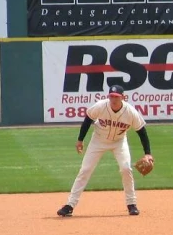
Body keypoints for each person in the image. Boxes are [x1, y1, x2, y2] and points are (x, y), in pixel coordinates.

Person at [56, 84, 153, 217]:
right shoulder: (101, 106)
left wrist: (148, 153)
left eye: (116, 97)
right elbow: (88, 119)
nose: (113, 99)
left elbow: (142, 132)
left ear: (123, 97)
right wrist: (80, 140)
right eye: (111, 96)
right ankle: (69, 205)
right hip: (98, 140)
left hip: (119, 142)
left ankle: (132, 204)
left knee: (126, 169)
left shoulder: (130, 112)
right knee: (85, 170)